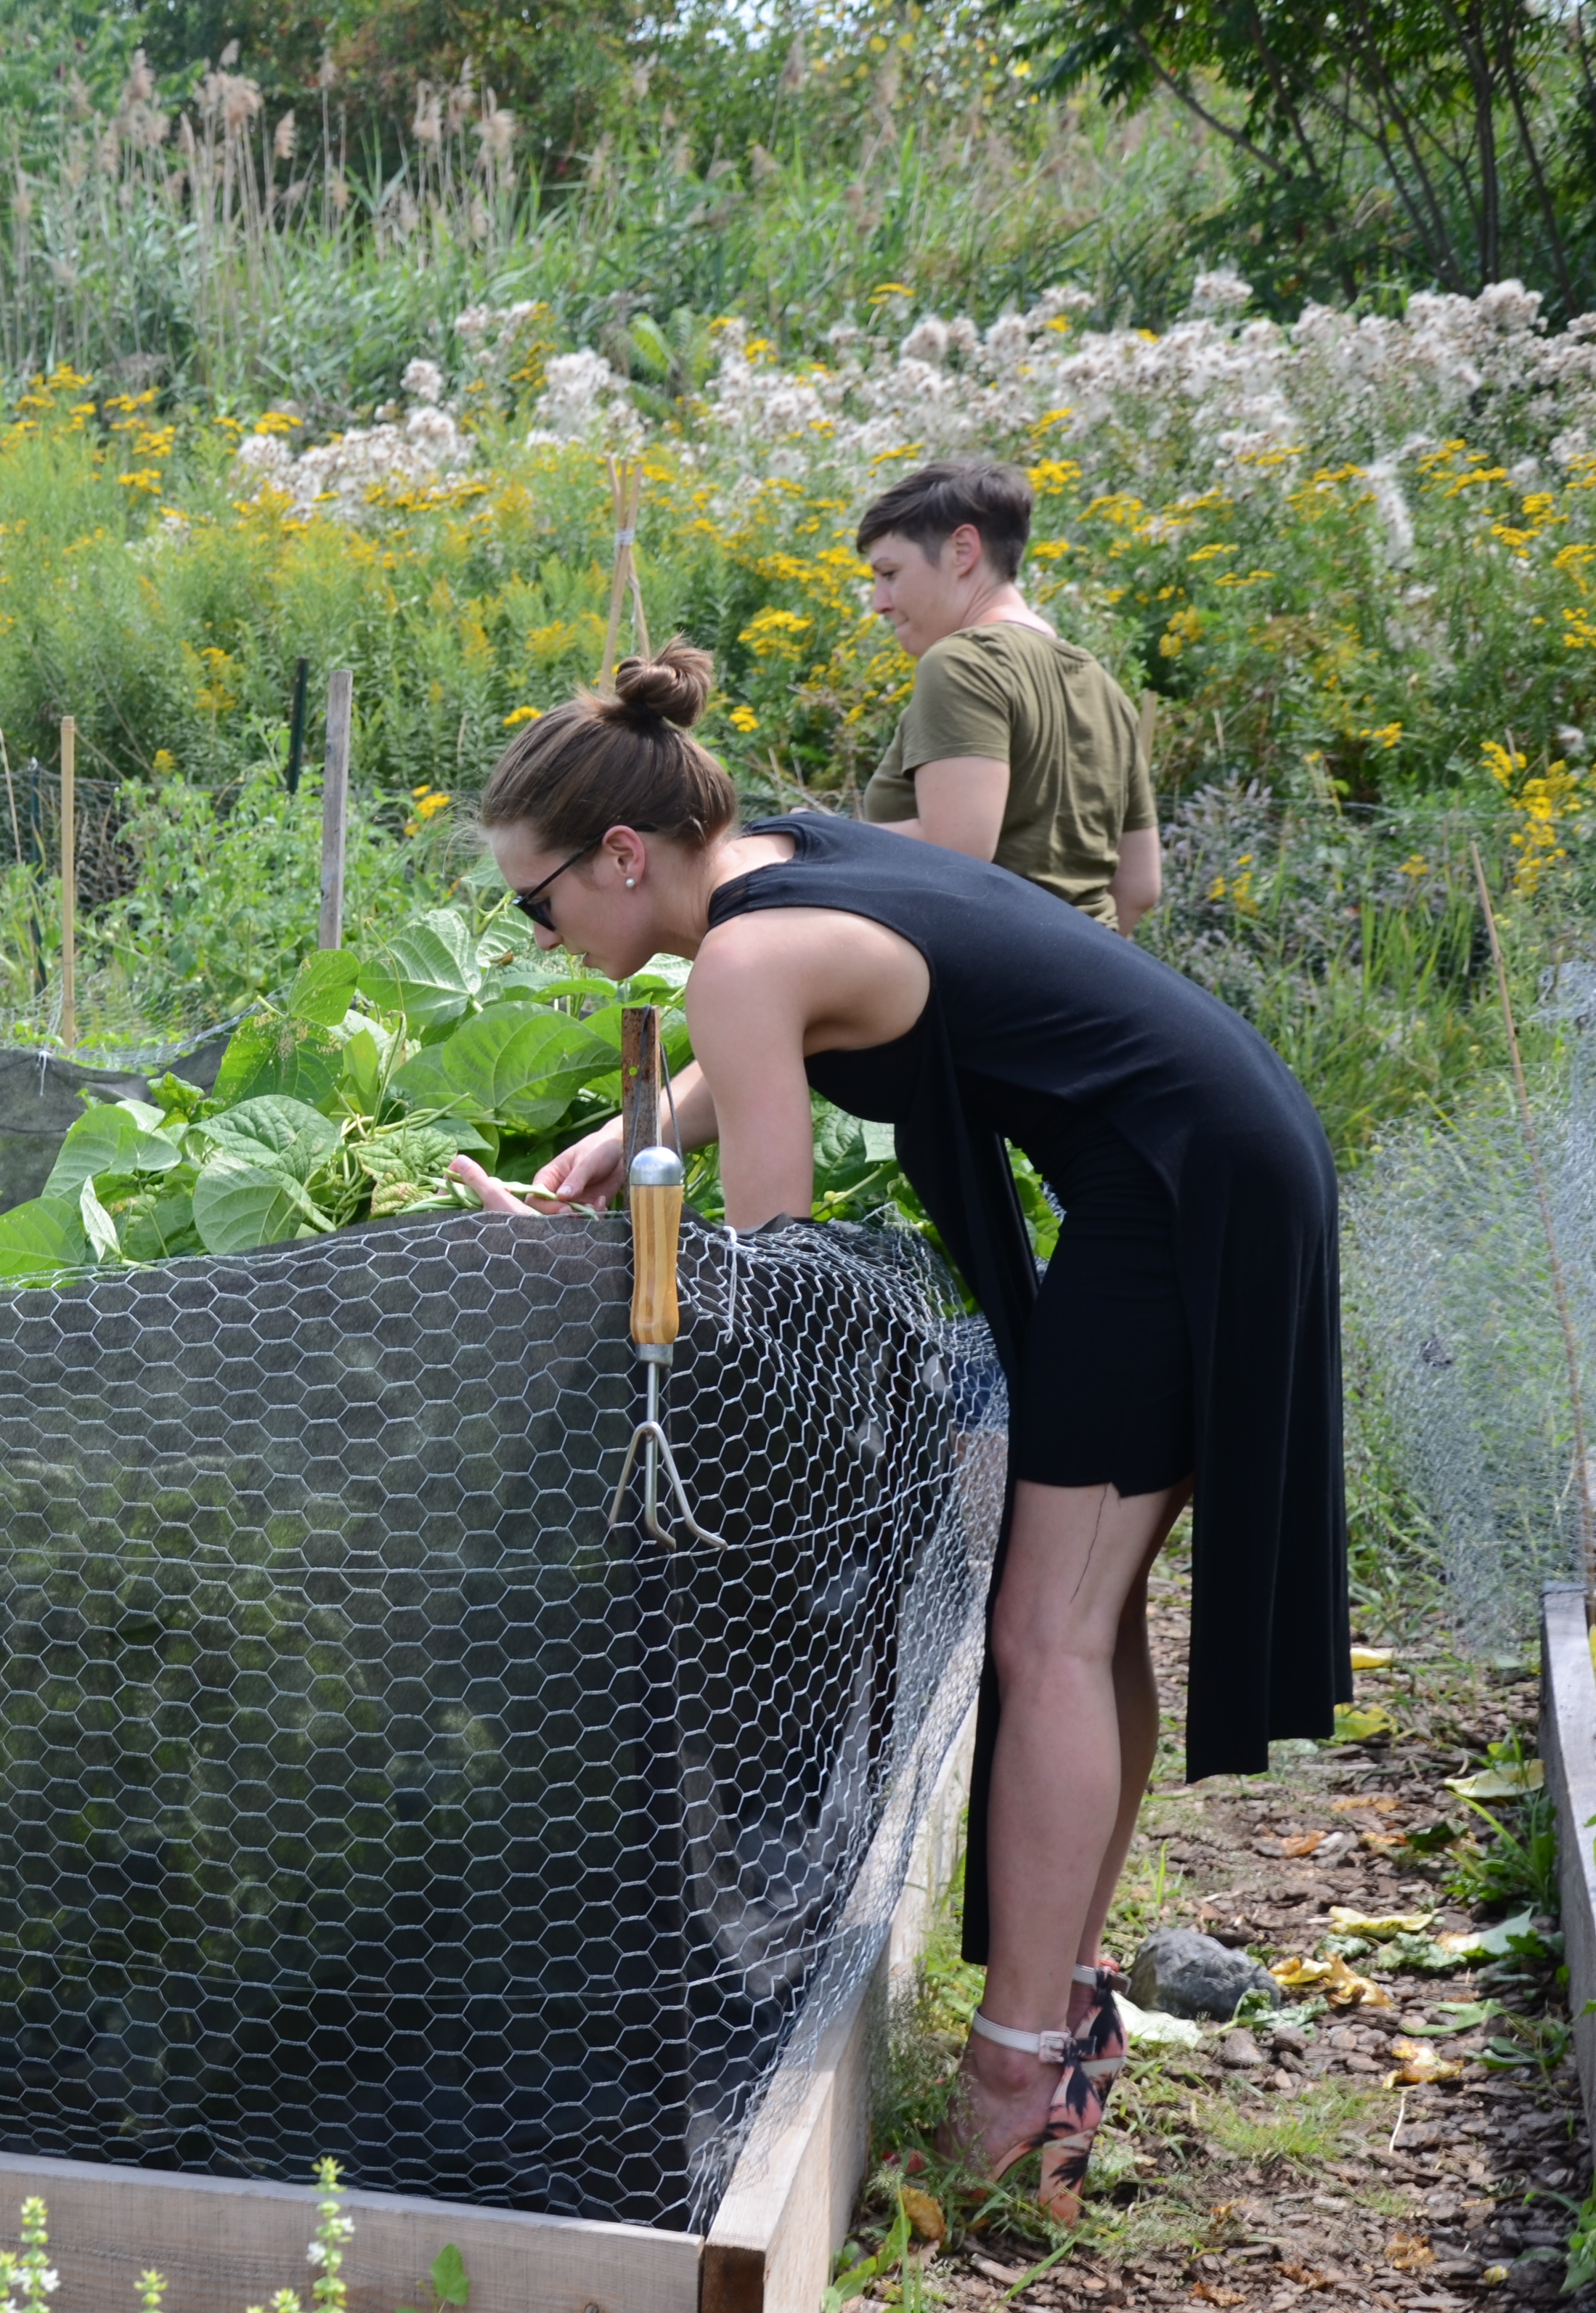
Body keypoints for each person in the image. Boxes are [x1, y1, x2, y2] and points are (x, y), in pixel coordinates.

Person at [448, 643, 1345, 2220]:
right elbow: (780, 1027)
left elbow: (771, 1280)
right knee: (1085, 1616)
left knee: (1045, 1638)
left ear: (621, 857)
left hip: (1177, 1197)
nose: (534, 936)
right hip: (1213, 1153)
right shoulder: (783, 859)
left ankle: (1017, 2093)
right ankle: (1060, 2021)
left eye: (535, 903)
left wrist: (576, 1275)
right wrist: (625, 1142)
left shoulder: (734, 963)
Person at [856, 460, 1164, 935]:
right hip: (1095, 980)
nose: (879, 601)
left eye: (890, 572)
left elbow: (957, 851)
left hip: (983, 985)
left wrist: (818, 837)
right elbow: (1141, 886)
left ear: (963, 550)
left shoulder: (962, 662)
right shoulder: (1106, 689)